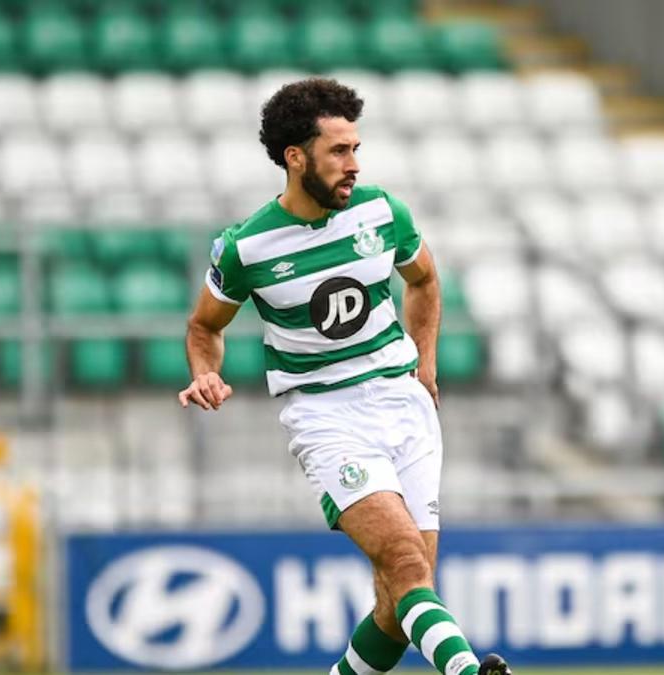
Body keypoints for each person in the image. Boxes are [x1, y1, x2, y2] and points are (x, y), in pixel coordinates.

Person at [178, 78, 511, 675]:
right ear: (295, 157)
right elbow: (204, 328)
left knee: (399, 599)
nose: (354, 164)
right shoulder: (245, 249)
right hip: (326, 416)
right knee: (407, 564)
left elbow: (425, 280)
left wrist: (425, 361)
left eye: (356, 149)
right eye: (339, 151)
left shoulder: (382, 212)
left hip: (403, 404)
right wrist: (206, 373)